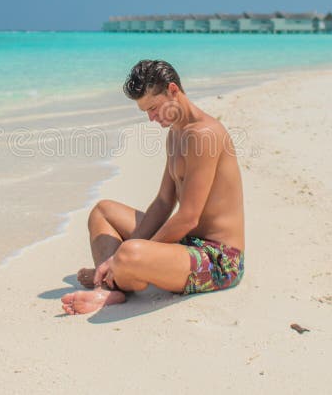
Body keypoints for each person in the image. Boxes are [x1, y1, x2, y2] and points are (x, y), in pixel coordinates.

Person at [61, 60, 245, 315]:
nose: (151, 118)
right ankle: (112, 281)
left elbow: (189, 216)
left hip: (219, 259)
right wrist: (129, 251)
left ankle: (114, 275)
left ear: (172, 90)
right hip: (186, 243)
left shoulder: (205, 135)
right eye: (146, 111)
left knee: (129, 253)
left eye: (154, 108)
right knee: (103, 212)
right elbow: (163, 202)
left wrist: (135, 251)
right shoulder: (176, 134)